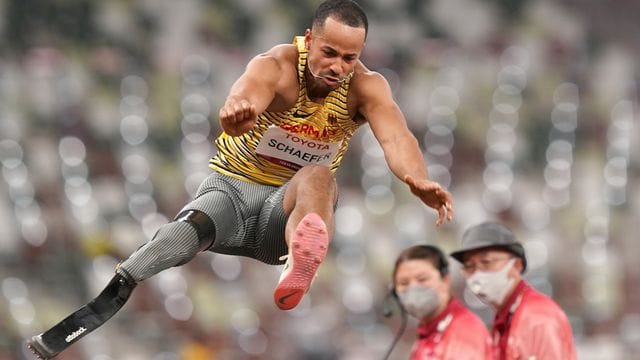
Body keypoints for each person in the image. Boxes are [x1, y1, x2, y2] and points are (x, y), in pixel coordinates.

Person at [26, 0, 453, 358]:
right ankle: (81, 320)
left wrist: (416, 178)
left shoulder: (367, 87)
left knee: (319, 176)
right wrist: (237, 113)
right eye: (329, 53)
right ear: (308, 39)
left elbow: (396, 136)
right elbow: (245, 96)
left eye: (350, 58)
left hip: (282, 213)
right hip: (231, 192)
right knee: (174, 240)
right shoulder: (278, 65)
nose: (337, 67)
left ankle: (302, 261)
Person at [450, 221, 577, 360]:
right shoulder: (505, 319)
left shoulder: (538, 317)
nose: (477, 274)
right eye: (469, 267)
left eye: (486, 262)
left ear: (516, 265)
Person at [388, 245, 492, 360]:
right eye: (404, 283)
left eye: (422, 279)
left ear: (445, 280)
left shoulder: (465, 334)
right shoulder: (428, 334)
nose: (413, 288)